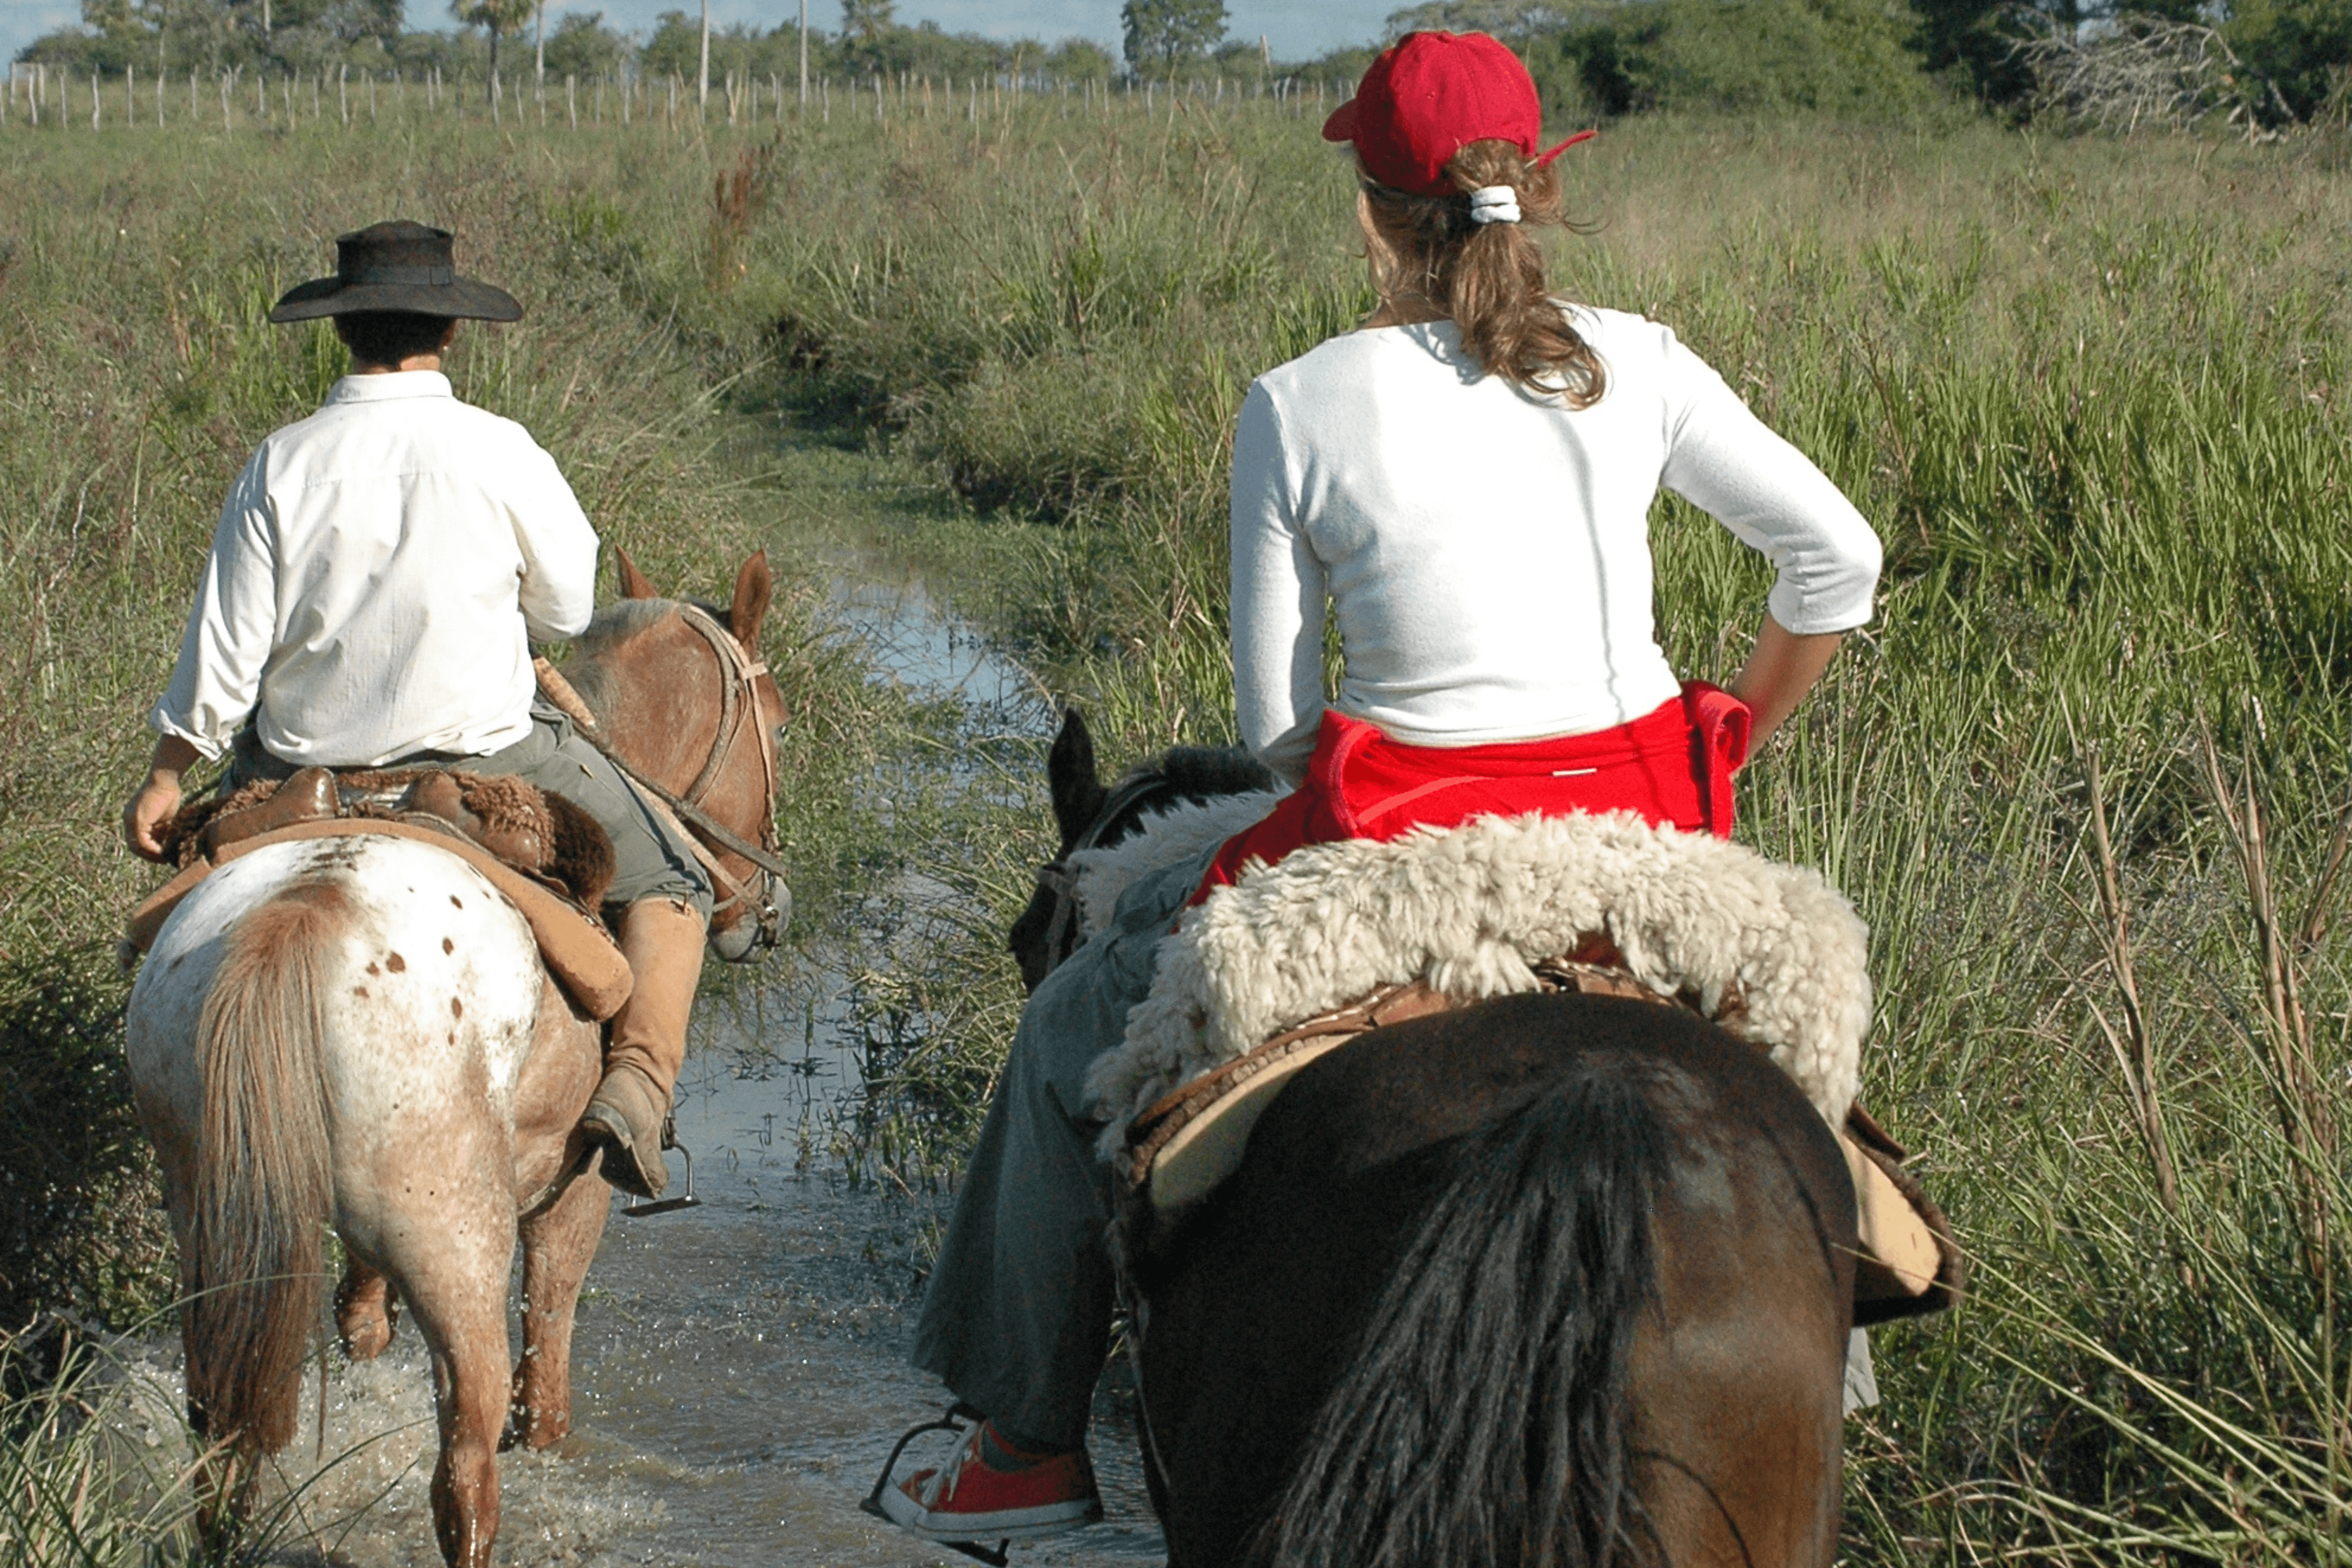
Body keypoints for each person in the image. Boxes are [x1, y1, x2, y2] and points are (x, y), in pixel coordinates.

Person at [880, 30, 1883, 1546]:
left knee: (1075, 1025)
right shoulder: (1649, 363)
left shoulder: (1299, 402)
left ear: (1371, 212)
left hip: (1392, 859)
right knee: (1801, 1035)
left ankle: (1022, 1446)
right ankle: (1837, 1360)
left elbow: (1279, 735)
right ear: (1538, 191)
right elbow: (1840, 562)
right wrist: (1735, 724)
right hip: (1642, 855)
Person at [119, 220, 712, 1202]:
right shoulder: (501, 448)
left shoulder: (282, 461)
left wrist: (168, 773)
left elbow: (225, 655)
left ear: (341, 332)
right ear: (450, 329)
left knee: (168, 934)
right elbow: (567, 608)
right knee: (675, 876)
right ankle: (639, 1085)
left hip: (298, 770)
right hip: (496, 756)